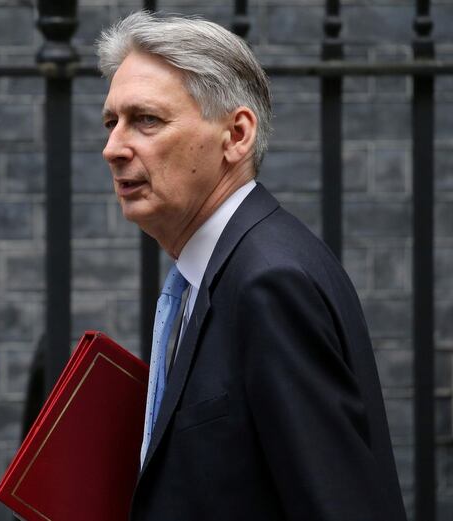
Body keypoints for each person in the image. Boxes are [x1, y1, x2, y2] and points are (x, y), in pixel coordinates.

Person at [97, 11, 407, 521]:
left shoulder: (269, 281)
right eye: (112, 122)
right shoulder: (225, 270)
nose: (112, 148)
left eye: (146, 120)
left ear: (237, 135)